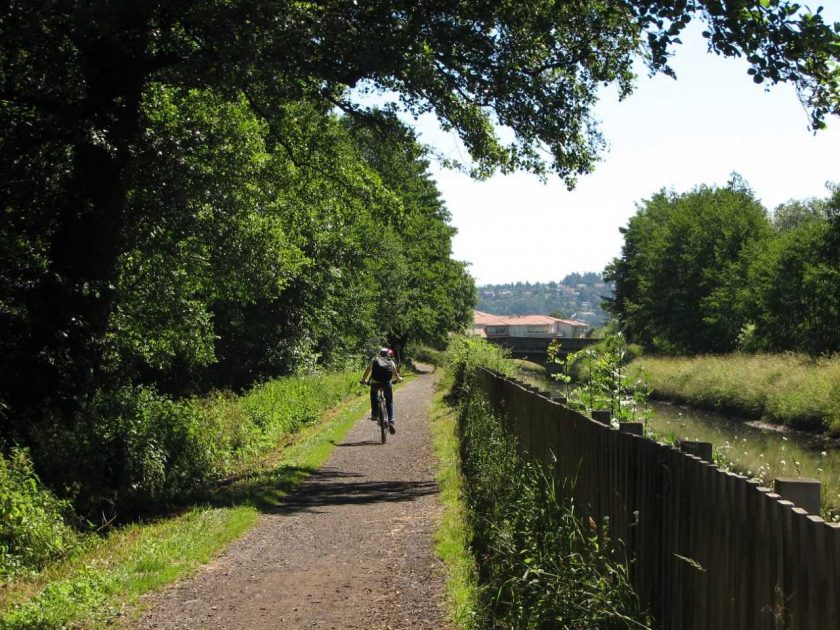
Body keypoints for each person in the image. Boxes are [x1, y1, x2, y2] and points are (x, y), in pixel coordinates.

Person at [361, 348, 403, 434]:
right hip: (386, 384)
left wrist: (363, 380)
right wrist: (399, 380)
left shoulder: (374, 360)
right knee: (389, 401)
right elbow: (396, 375)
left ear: (380, 354)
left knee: (373, 395)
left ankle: (375, 415)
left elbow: (367, 372)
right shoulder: (390, 362)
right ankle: (391, 420)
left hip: (375, 383)